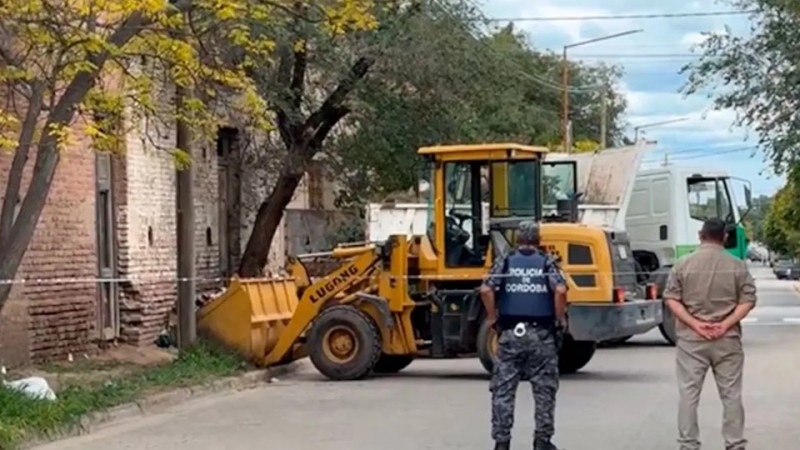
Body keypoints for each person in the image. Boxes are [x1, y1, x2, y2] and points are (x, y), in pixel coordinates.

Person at [663, 218, 757, 450]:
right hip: (727, 339)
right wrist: (725, 324)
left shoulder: (683, 264)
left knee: (689, 394)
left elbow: (672, 299)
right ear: (725, 237)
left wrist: (695, 324)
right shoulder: (737, 266)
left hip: (691, 340)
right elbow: (747, 300)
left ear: (700, 235)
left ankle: (688, 444)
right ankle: (734, 443)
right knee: (731, 395)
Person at [479, 220, 568, 450]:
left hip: (510, 334)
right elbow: (560, 290)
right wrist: (560, 319)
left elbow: (486, 289)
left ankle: (502, 442)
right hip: (541, 335)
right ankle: (542, 441)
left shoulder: (506, 261)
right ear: (538, 239)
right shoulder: (546, 262)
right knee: (544, 390)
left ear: (518, 238)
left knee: (503, 390)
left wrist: (492, 318)